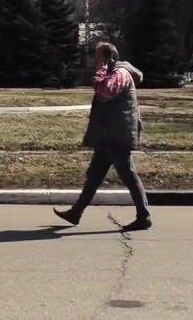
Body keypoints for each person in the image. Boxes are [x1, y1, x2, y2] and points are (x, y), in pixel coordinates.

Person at [54, 42, 151, 232]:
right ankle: (76, 212)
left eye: (98, 58)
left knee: (128, 174)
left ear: (108, 59)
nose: (94, 62)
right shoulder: (113, 72)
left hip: (117, 134)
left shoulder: (120, 73)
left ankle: (144, 216)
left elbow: (105, 92)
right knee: (94, 175)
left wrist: (101, 70)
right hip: (108, 134)